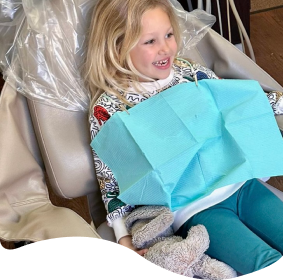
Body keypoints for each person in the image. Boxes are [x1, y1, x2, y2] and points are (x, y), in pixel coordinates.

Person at [84, 0, 283, 275]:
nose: (165, 47)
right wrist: (122, 236)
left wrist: (278, 102)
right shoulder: (109, 109)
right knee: (264, 261)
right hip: (195, 210)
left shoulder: (189, 73)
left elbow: (238, 103)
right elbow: (111, 180)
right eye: (150, 41)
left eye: (168, 34)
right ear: (118, 45)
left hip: (242, 184)